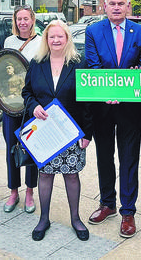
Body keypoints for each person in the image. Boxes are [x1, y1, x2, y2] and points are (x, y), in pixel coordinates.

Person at [84, 0, 141, 238]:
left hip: (131, 108)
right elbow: (93, 65)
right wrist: (108, 90)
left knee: (129, 158)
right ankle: (107, 203)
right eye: (111, 3)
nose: (116, 7)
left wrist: (137, 74)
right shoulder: (93, 31)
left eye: (120, 4)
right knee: (104, 156)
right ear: (104, 6)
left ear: (128, 6)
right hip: (102, 106)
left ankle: (128, 211)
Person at [22, 20, 92, 241]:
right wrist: (34, 107)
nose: (55, 40)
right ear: (46, 39)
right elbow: (27, 93)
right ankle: (44, 219)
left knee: (72, 175)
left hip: (72, 132)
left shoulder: (79, 63)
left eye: (60, 36)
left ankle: (75, 218)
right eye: (51, 36)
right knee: (45, 175)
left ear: (67, 38)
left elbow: (88, 101)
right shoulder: (36, 63)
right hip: (45, 132)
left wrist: (88, 133)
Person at [2, 5, 42, 214]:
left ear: (32, 20)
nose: (23, 22)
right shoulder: (9, 42)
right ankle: (13, 191)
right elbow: (3, 69)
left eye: (26, 18)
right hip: (10, 104)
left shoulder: (40, 41)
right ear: (15, 21)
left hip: (31, 104)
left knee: (32, 148)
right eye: (19, 19)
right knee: (12, 148)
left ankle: (29, 192)